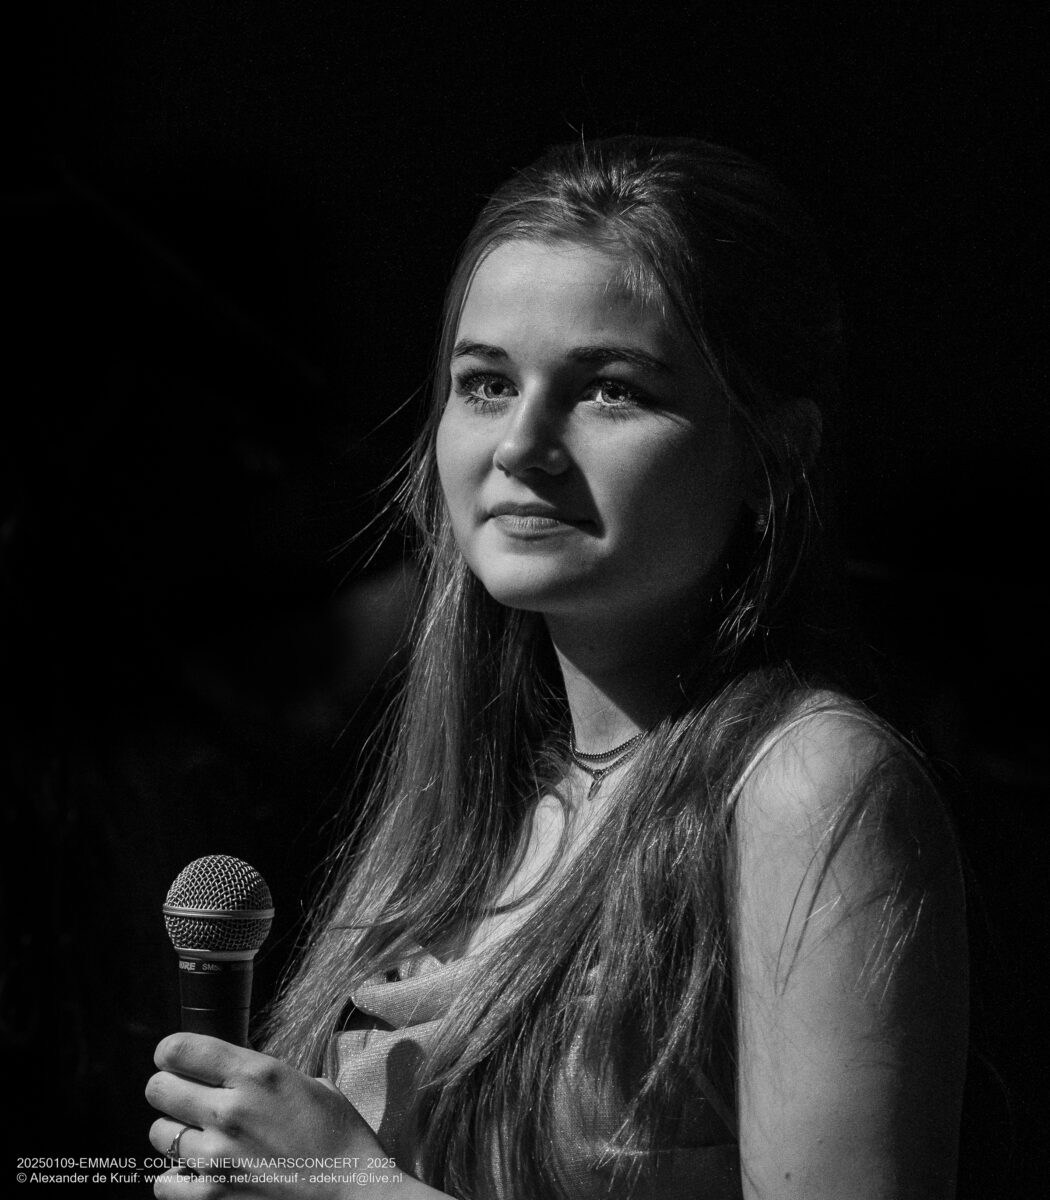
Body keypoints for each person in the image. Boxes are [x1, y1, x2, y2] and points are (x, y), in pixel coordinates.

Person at [145, 136, 969, 1199]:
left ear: (773, 455)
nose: (520, 445)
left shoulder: (810, 790)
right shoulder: (469, 804)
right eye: (486, 383)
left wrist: (354, 1187)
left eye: (610, 389)